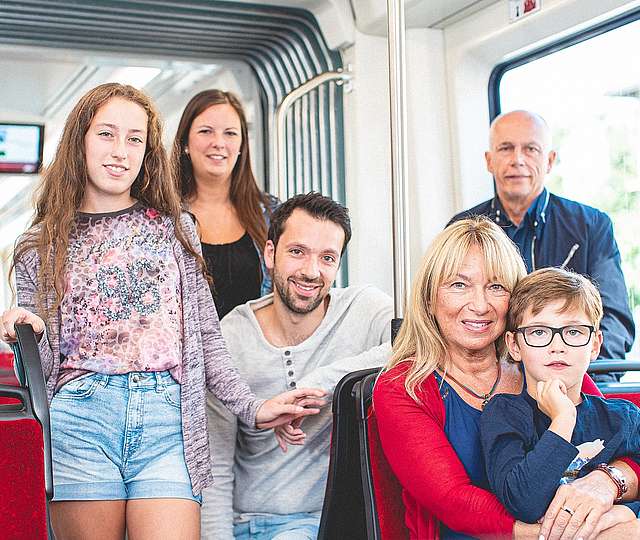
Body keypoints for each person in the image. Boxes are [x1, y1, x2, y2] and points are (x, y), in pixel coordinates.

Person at [0, 83, 325, 540]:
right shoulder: (39, 245)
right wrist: (22, 328)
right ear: (81, 141)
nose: (120, 151)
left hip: (167, 422)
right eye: (107, 134)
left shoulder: (176, 229)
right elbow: (45, 364)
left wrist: (252, 408)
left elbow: (207, 340)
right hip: (81, 422)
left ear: (148, 151)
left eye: (135, 139)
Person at [373, 217, 640, 540]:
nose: (480, 304)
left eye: (496, 286)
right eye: (459, 284)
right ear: (430, 298)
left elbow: (607, 436)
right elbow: (453, 501)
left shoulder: (544, 360)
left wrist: (608, 482)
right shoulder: (403, 387)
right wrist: (578, 531)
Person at [202, 192, 393, 539]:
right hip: (244, 523)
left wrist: (318, 384)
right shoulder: (232, 335)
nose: (311, 271)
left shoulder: (363, 310)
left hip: (317, 524)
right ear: (271, 253)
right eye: (297, 252)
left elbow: (416, 344)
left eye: (327, 258)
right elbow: (214, 462)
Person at [449, 110, 634, 361]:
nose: (517, 160)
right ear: (489, 160)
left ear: (549, 160)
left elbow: (614, 321)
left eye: (531, 149)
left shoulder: (592, 226)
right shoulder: (462, 228)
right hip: (490, 378)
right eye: (505, 148)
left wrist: (582, 382)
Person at [481, 267, 640, 525]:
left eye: (574, 332)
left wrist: (628, 511)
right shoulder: (503, 415)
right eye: (539, 332)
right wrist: (563, 420)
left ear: (595, 344)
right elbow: (524, 503)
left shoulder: (623, 418)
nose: (558, 346)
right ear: (514, 345)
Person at [171, 89, 278, 319]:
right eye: (206, 131)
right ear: (185, 143)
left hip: (254, 353)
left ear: (241, 146)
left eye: (230, 133)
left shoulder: (272, 213)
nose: (218, 143)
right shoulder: (163, 217)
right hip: (188, 354)